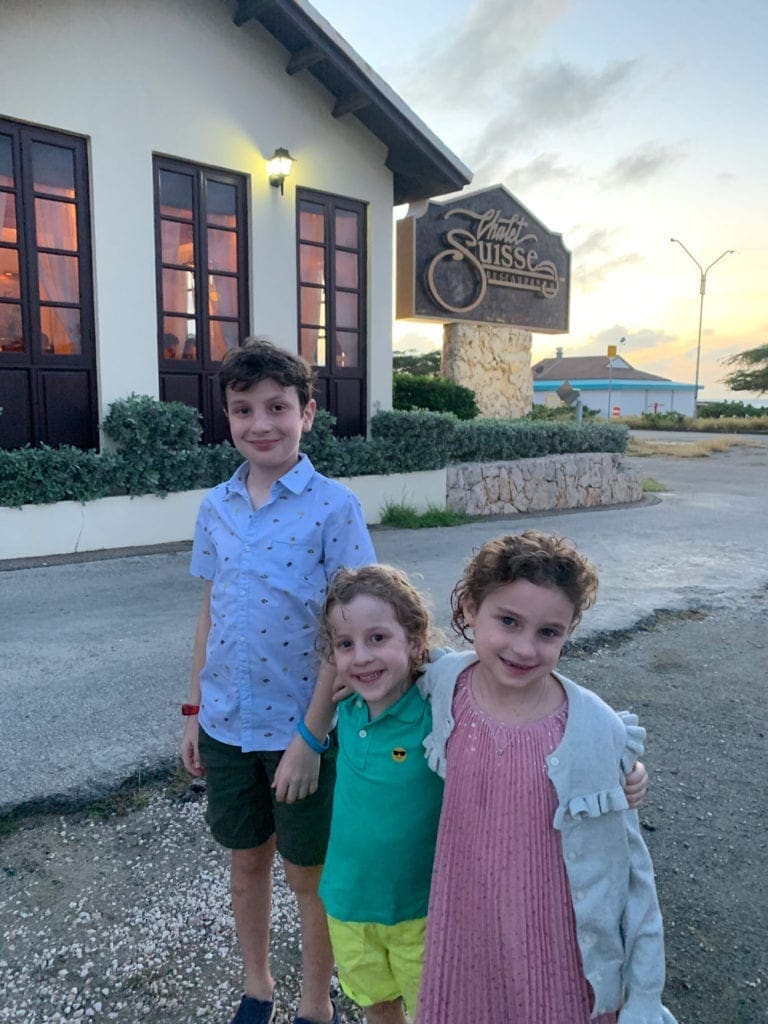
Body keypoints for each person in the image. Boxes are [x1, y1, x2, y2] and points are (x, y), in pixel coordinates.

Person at [318, 560, 650, 1024]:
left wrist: (627, 770)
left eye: (377, 639)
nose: (363, 655)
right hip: (348, 901)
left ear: (415, 641)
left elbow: (591, 733)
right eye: (347, 645)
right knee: (376, 1001)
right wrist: (308, 736)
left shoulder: (435, 698)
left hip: (427, 907)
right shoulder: (351, 706)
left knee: (442, 1002)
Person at [179, 337, 376, 1024]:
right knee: (246, 864)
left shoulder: (334, 508)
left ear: (308, 412)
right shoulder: (216, 507)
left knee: (307, 876)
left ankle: (316, 1004)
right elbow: (210, 610)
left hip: (302, 729)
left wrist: (310, 737)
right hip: (228, 724)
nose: (260, 424)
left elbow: (349, 632)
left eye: (277, 407)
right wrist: (193, 709)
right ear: (227, 418)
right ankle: (258, 987)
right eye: (243, 409)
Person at [416, 531, 677, 1024]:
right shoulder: (446, 681)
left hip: (555, 947)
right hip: (467, 926)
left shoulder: (594, 730)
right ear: (471, 608)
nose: (523, 647)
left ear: (569, 631)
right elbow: (393, 665)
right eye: (508, 621)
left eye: (548, 632)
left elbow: (633, 875)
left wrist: (644, 995)